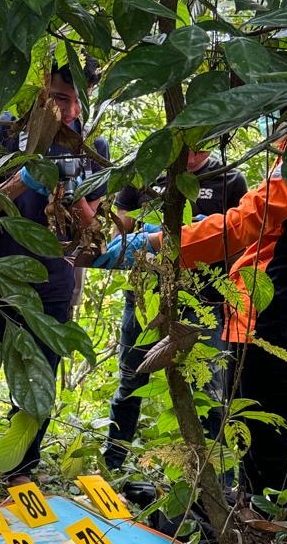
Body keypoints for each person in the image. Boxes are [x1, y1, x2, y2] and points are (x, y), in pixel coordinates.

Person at [95, 139, 287, 512]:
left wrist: (156, 243)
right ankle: (250, 527)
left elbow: (247, 222)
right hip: (249, 314)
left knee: (269, 447)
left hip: (277, 315)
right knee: (249, 440)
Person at [0, 61, 108, 493]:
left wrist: (72, 195)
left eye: (77, 101)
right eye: (61, 99)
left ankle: (20, 473)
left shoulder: (92, 145)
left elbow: (93, 235)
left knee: (36, 388)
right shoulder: (0, 133)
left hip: (52, 287)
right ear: (40, 92)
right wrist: (22, 180)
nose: (69, 111)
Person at [103, 147, 247, 472]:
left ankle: (212, 480)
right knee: (131, 380)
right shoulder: (145, 168)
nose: (195, 156)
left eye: (203, 148)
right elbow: (120, 229)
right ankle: (112, 466)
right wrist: (153, 230)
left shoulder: (230, 179)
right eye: (189, 148)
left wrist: (206, 231)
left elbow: (242, 239)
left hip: (206, 301)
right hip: (147, 297)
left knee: (209, 391)